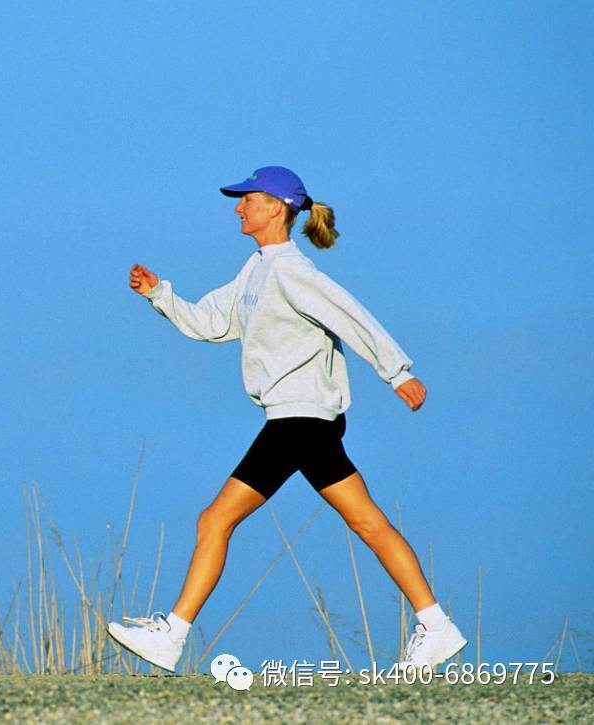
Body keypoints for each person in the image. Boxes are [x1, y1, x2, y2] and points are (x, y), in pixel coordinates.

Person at [106, 166, 465, 674]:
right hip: (303, 420)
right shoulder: (255, 270)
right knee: (367, 522)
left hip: (299, 418)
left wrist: (396, 372)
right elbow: (211, 322)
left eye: (246, 199)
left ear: (276, 207)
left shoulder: (291, 271)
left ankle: (173, 634)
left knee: (216, 519)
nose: (237, 207)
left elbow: (351, 315)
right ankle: (436, 624)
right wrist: (159, 294)